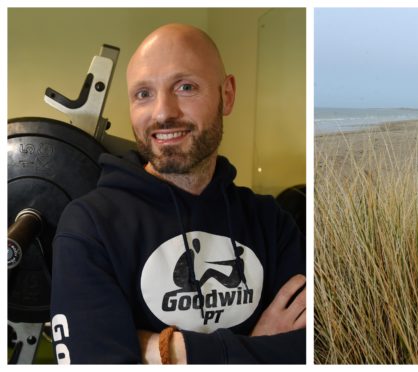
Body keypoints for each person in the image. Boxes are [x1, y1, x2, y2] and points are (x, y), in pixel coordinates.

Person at [50, 23, 306, 364]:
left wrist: (168, 351)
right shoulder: (90, 226)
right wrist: (256, 348)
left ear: (226, 95)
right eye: (143, 94)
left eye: (185, 87)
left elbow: (310, 350)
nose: (162, 113)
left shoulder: (272, 223)